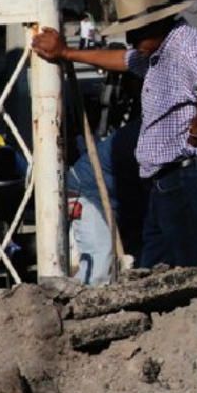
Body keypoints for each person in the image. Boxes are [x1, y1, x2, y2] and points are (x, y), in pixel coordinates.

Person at [33, 0, 197, 268]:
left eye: (134, 32)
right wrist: (67, 54)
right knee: (155, 266)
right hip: (166, 180)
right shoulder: (156, 51)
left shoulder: (186, 44)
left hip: (188, 176)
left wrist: (196, 131)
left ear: (155, 25)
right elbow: (122, 59)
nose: (130, 39)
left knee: (188, 269)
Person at [68, 119, 144, 285]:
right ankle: (84, 303)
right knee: (99, 260)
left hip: (116, 196)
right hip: (88, 190)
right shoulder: (139, 136)